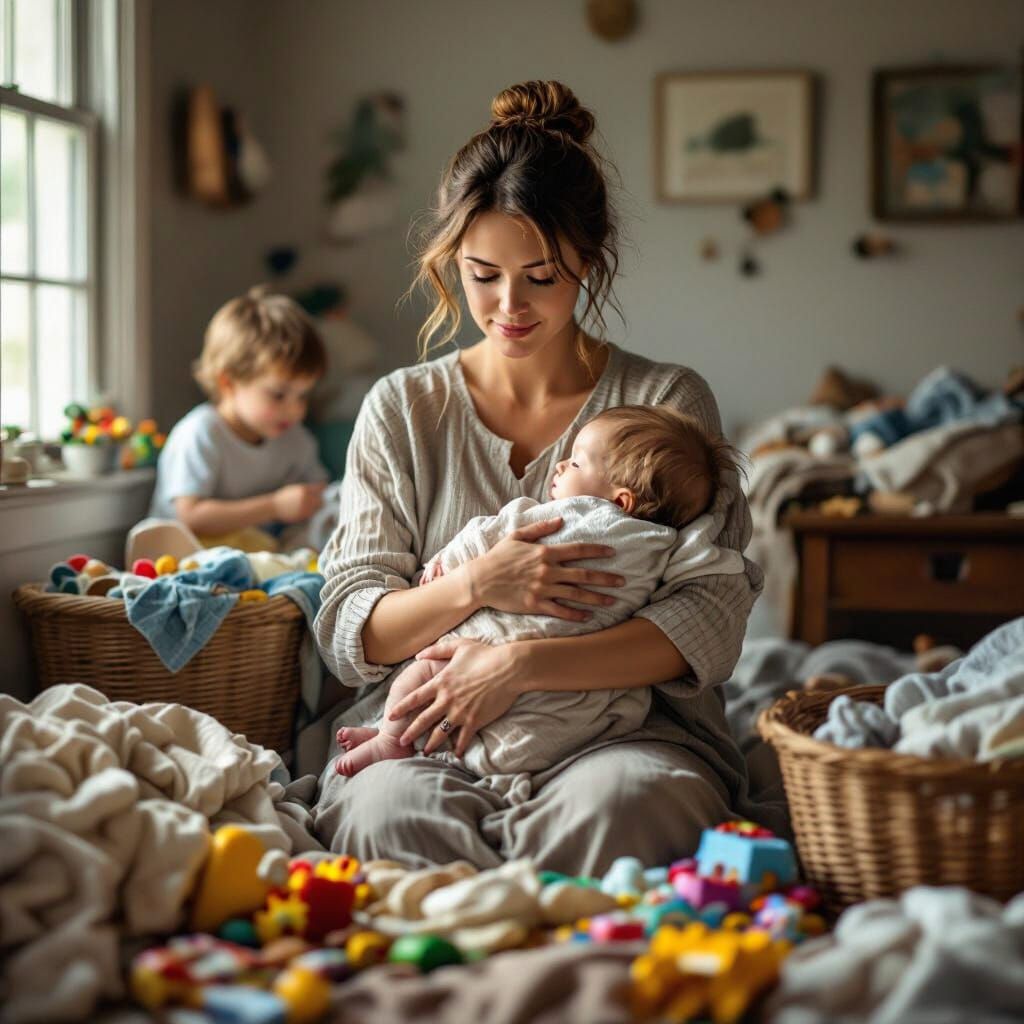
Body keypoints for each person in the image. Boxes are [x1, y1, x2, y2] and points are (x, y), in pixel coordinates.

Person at [313, 80, 775, 875]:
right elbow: (353, 631)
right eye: (482, 273)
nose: (509, 306)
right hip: (427, 726)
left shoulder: (666, 402)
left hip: (620, 732)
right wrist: (480, 583)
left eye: (542, 275)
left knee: (630, 809)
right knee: (390, 817)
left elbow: (708, 618)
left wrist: (518, 666)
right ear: (451, 262)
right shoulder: (402, 408)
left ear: (588, 262)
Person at [334, 404, 746, 785]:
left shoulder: (571, 515)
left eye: (577, 462)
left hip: (492, 649)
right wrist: (474, 582)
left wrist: (452, 565)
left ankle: (391, 738)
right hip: (570, 710)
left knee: (422, 675)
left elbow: (484, 534)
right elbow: (350, 624)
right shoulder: (661, 547)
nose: (562, 465)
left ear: (621, 499)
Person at [149, 286, 329, 551]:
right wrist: (274, 506)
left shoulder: (296, 439)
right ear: (228, 383)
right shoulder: (200, 433)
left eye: (303, 396)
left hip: (252, 557)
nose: (295, 410)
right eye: (278, 395)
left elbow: (319, 492)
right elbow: (190, 516)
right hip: (181, 556)